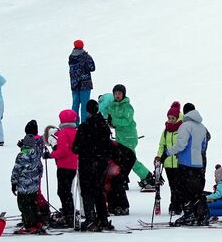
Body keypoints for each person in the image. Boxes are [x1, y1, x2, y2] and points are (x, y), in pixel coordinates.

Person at [72, 99, 113, 231]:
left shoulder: (84, 127)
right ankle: (103, 218)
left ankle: (90, 218)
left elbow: (75, 148)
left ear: (87, 111)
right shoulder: (104, 126)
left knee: (87, 191)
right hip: (101, 162)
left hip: (87, 163)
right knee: (99, 191)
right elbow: (108, 146)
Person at [169, 103, 211, 226]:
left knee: (183, 190)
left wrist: (168, 152)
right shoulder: (202, 127)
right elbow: (203, 146)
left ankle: (189, 214)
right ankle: (202, 214)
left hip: (185, 163)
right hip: (198, 163)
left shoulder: (185, 125)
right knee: (196, 191)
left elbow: (181, 144)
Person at [103, 84, 150, 186]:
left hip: (129, 136)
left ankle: (147, 176)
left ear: (123, 94)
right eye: (115, 93)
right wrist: (109, 123)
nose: (117, 95)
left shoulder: (127, 107)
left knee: (130, 159)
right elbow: (110, 119)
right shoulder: (113, 106)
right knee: (121, 159)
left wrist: (113, 121)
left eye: (119, 93)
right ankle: (123, 179)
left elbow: (126, 121)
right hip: (120, 136)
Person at [10, 120, 46, 233]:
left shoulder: (22, 156)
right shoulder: (36, 154)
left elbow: (16, 170)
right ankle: (38, 221)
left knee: (24, 206)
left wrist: (13, 183)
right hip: (34, 186)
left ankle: (30, 225)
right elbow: (40, 169)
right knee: (33, 204)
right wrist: (38, 178)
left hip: (24, 187)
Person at [47, 108, 79, 228]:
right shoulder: (75, 131)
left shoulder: (63, 133)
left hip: (64, 165)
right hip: (73, 165)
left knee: (63, 192)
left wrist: (50, 155)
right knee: (66, 191)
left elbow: (63, 150)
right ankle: (69, 214)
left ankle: (69, 215)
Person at [151, 102, 182, 210]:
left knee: (179, 186)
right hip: (168, 163)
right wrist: (159, 156)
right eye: (169, 118)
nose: (170, 120)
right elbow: (162, 145)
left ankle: (177, 205)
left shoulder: (182, 130)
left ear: (178, 118)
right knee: (173, 186)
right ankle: (174, 205)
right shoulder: (166, 131)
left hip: (179, 163)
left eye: (173, 118)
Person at [69, 40, 96, 122]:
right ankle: (84, 123)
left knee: (75, 104)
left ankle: (74, 122)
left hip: (74, 84)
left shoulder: (71, 57)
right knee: (85, 105)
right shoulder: (86, 56)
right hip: (85, 84)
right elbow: (92, 68)